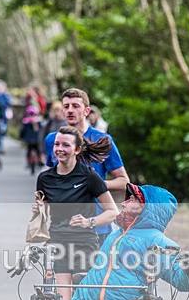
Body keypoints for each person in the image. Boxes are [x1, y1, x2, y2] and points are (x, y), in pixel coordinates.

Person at [34, 126, 118, 300]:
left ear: (77, 149)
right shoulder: (45, 178)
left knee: (81, 299)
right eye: (57, 144)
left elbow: (112, 212)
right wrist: (39, 211)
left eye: (66, 145)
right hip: (57, 241)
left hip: (84, 242)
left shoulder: (89, 176)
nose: (60, 149)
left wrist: (89, 222)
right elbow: (45, 213)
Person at [43, 88, 130, 243]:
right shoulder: (52, 140)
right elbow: (53, 177)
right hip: (63, 225)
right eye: (66, 106)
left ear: (86, 111)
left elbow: (124, 182)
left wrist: (96, 185)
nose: (70, 110)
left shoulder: (102, 140)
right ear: (62, 111)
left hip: (97, 225)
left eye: (76, 106)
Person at [38, 101, 65, 166]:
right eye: (55, 111)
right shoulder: (49, 123)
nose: (57, 113)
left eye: (58, 110)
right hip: (51, 152)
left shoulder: (66, 123)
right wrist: (42, 152)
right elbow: (42, 137)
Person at [20, 105, 42, 174]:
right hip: (36, 140)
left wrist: (21, 137)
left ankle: (30, 161)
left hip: (29, 140)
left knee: (29, 151)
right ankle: (39, 161)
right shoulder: (38, 121)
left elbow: (22, 131)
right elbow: (41, 130)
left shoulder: (26, 121)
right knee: (37, 151)